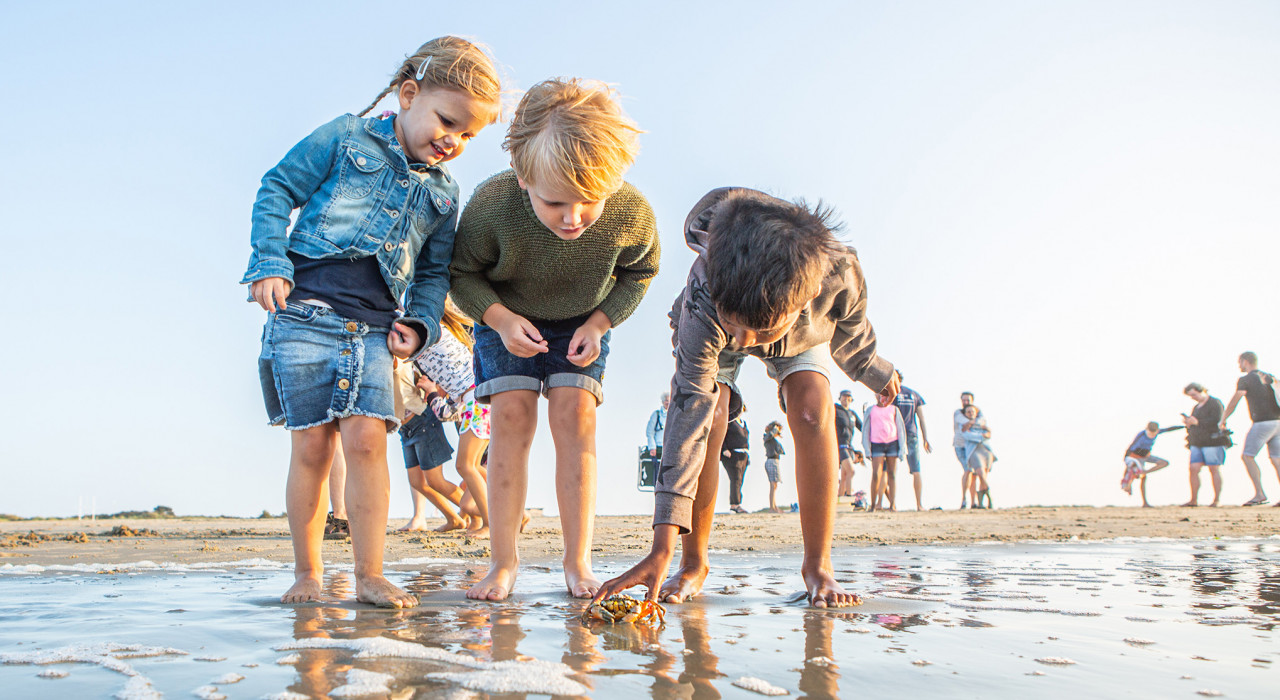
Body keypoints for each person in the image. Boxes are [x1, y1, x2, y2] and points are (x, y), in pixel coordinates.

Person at [242, 38, 502, 607]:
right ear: (409, 95)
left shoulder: (443, 193)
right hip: (303, 311)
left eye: (468, 135)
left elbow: (434, 275)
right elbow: (276, 188)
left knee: (366, 443)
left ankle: (369, 574)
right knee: (311, 447)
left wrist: (423, 324)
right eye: (447, 121)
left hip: (377, 329)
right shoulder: (344, 136)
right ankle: (308, 571)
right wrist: (269, 262)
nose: (453, 140)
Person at [595, 187, 897, 610]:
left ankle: (818, 567)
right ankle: (693, 563)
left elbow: (853, 329)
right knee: (712, 416)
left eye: (759, 333)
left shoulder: (839, 272)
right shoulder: (705, 297)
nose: (746, 343)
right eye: (741, 329)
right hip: (712, 322)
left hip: (801, 334)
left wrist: (875, 372)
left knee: (812, 409)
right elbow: (687, 416)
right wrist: (661, 545)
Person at [450, 78, 659, 601]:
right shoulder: (493, 204)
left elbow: (641, 271)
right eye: (556, 203)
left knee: (576, 421)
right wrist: (497, 319)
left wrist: (600, 324)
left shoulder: (630, 211)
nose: (573, 218)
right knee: (512, 422)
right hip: (507, 319)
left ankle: (578, 561)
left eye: (589, 201)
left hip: (582, 324)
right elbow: (462, 273)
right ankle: (502, 563)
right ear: (523, 177)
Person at [414, 301, 494, 537]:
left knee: (465, 465)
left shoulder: (433, 336)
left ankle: (492, 525)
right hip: (474, 400)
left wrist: (430, 392)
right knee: (470, 495)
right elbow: (446, 413)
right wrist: (433, 394)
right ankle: (511, 515)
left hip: (476, 400)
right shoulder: (446, 335)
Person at [393, 360, 467, 533]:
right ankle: (454, 519)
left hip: (422, 420)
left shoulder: (397, 358)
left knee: (435, 480)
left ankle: (484, 510)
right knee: (418, 482)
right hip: (405, 428)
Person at [1220, 352, 1280, 506]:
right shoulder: (1269, 376)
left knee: (1248, 456)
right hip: (1277, 422)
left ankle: (1260, 494)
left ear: (1245, 361)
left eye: (1239, 362)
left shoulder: (1245, 380)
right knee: (1276, 458)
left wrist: (1223, 419)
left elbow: (1235, 400)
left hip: (1262, 423)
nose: (1239, 365)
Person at [1181, 382, 1228, 507]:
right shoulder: (1196, 407)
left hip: (1213, 441)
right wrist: (1189, 423)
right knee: (1193, 469)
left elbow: (1218, 421)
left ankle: (1216, 500)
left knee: (1214, 469)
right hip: (1197, 442)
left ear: (1202, 391)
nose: (1193, 398)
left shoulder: (1215, 403)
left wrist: (1197, 422)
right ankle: (1193, 500)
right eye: (1191, 396)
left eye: (1194, 394)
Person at [891, 371, 931, 510]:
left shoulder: (891, 394)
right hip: (911, 433)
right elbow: (921, 419)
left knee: (892, 470)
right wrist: (925, 438)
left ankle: (893, 504)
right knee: (915, 469)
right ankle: (919, 505)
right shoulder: (914, 394)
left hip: (895, 435)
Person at [862, 391, 907, 511]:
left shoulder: (894, 409)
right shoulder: (871, 410)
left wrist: (902, 449)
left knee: (892, 474)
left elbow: (900, 429)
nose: (881, 397)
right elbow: (865, 429)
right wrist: (867, 449)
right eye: (879, 394)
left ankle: (892, 504)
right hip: (876, 444)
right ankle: (873, 505)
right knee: (876, 474)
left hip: (892, 443)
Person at [1120, 421, 1182, 508]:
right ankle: (1128, 485)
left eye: (1154, 434)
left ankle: (1144, 472)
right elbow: (1131, 449)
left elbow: (1169, 429)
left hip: (1146, 456)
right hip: (1135, 456)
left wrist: (1183, 427)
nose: (1152, 435)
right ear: (1146, 430)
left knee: (1164, 463)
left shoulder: (1158, 432)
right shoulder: (1141, 436)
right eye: (1150, 433)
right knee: (1136, 473)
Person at [959, 405, 996, 507]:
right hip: (973, 451)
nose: (971, 413)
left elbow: (988, 434)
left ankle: (981, 499)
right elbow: (967, 435)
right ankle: (988, 496)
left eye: (972, 411)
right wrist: (981, 436)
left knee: (983, 475)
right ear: (965, 414)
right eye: (968, 412)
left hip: (985, 450)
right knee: (980, 473)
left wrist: (980, 435)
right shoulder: (963, 424)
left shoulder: (981, 422)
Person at [953, 392, 984, 509]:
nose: (965, 402)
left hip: (972, 446)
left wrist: (973, 422)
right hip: (960, 445)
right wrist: (974, 421)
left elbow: (983, 421)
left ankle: (973, 502)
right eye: (963, 400)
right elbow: (964, 421)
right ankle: (964, 499)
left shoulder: (977, 411)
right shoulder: (958, 413)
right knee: (968, 470)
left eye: (968, 400)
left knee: (974, 473)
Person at [834, 389, 863, 498]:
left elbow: (863, 427)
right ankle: (849, 495)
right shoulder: (835, 409)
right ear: (840, 398)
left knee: (845, 475)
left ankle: (840, 498)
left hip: (849, 447)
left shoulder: (852, 414)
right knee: (851, 470)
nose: (846, 398)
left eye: (848, 397)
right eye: (844, 396)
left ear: (851, 399)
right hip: (840, 446)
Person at [720, 413, 750, 513]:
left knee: (740, 480)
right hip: (732, 454)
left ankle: (737, 503)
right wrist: (724, 449)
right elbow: (721, 434)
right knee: (735, 479)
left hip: (743, 455)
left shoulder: (743, 423)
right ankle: (735, 505)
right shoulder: (729, 421)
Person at [762, 420, 787, 513]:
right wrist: (774, 430)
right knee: (773, 485)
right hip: (772, 461)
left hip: (774, 461)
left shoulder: (772, 440)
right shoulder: (767, 438)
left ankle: (774, 506)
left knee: (774, 485)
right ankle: (772, 507)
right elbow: (769, 436)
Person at [647, 393, 670, 458]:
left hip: (670, 448)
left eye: (669, 400)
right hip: (658, 448)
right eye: (666, 400)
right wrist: (652, 447)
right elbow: (650, 433)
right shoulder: (656, 414)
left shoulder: (675, 415)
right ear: (662, 402)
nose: (668, 402)